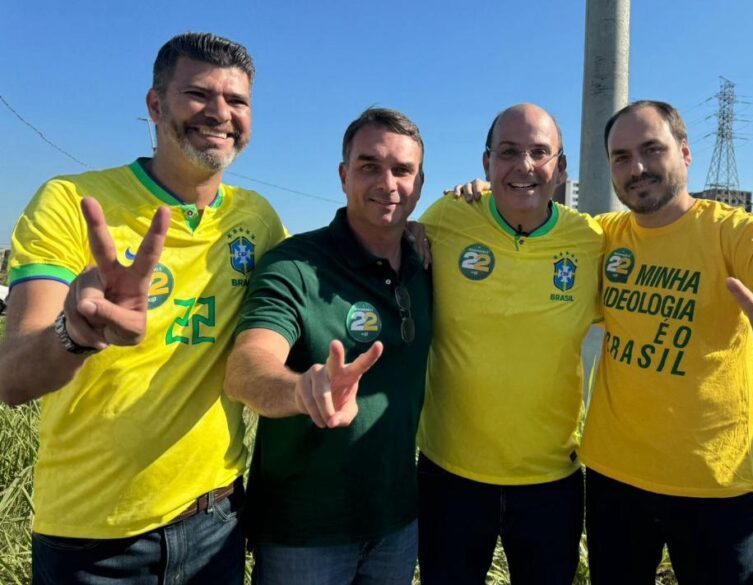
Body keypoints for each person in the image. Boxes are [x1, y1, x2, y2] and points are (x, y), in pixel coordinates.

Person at [0, 32, 285, 584]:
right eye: (198, 94)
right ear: (155, 105)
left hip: (216, 522)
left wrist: (417, 234)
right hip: (92, 537)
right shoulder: (72, 203)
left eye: (238, 101)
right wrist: (77, 331)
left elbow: (320, 281)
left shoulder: (258, 218)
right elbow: (11, 379)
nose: (220, 114)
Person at [578, 100, 753, 585]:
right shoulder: (600, 235)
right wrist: (476, 197)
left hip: (715, 482)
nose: (636, 168)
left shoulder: (732, 230)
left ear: (684, 153)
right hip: (613, 477)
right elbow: (528, 226)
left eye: (651, 149)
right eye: (621, 157)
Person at [224, 107, 432, 585]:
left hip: (397, 521)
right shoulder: (295, 264)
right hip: (305, 532)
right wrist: (301, 389)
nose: (388, 183)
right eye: (369, 166)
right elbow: (247, 364)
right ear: (343, 176)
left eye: (403, 170)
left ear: (420, 183)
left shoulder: (425, 263)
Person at [417, 103, 603, 585]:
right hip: (450, 476)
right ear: (486, 164)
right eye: (508, 152)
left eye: (540, 152)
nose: (524, 165)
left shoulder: (590, 241)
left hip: (552, 482)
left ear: (561, 169)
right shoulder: (447, 220)